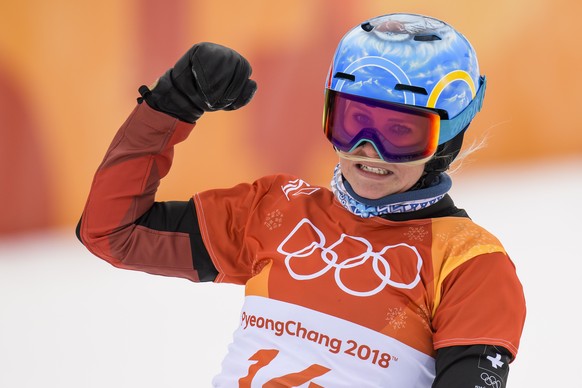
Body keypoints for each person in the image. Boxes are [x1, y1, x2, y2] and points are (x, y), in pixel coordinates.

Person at [77, 12, 526, 387]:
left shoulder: (470, 263)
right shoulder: (278, 209)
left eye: (400, 131)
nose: (368, 150)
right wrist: (169, 107)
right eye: (353, 122)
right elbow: (112, 232)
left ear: (447, 137)